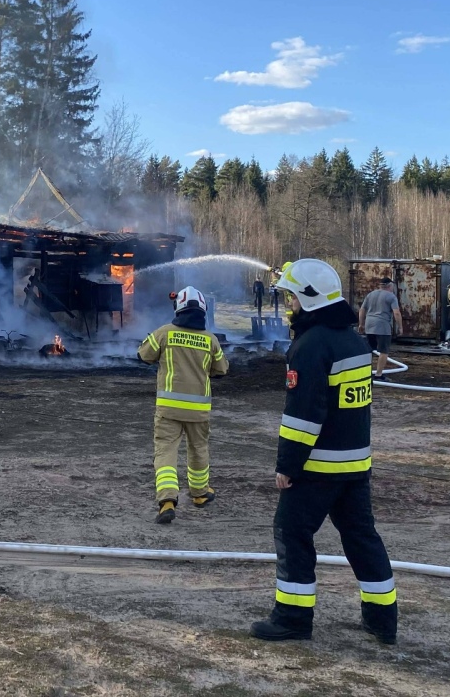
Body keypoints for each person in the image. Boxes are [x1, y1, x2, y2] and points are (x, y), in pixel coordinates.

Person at [251, 258, 397, 645]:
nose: (290, 306)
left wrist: (287, 466)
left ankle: (292, 619)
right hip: (355, 465)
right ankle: (383, 621)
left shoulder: (311, 345)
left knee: (292, 533)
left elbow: (304, 416)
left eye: (292, 298)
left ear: (308, 299)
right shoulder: (353, 340)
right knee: (362, 539)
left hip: (317, 467)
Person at [137, 286, 229, 524]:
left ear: (178, 309)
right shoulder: (211, 340)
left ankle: (167, 501)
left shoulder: (165, 333)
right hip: (199, 410)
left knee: (165, 451)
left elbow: (144, 355)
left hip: (169, 410)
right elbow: (221, 370)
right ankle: (199, 495)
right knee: (198, 449)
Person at [358, 276, 402, 378]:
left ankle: (365, 373)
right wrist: (400, 327)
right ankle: (378, 374)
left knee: (370, 350)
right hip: (382, 326)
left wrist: (361, 324)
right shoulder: (391, 297)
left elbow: (362, 310)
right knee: (383, 351)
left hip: (369, 325)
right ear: (390, 286)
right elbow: (397, 313)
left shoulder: (370, 295)